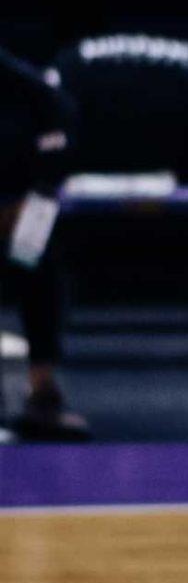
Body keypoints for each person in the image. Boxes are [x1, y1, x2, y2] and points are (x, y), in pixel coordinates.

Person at [1, 44, 83, 441]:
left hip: (22, 206)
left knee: (41, 253)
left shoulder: (28, 88)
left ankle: (42, 390)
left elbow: (60, 133)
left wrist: (33, 195)